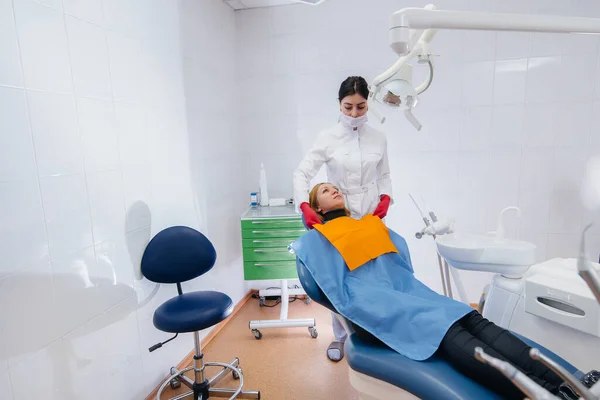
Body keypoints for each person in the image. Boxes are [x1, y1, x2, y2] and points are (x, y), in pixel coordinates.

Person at [301, 182, 599, 400]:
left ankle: (571, 385)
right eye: (326, 190)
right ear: (317, 209)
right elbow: (329, 286)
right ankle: (545, 393)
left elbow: (400, 262)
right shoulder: (316, 239)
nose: (334, 189)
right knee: (454, 335)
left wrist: (375, 228)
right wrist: (317, 235)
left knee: (478, 323)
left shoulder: (366, 224)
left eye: (335, 186)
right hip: (384, 306)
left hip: (411, 294)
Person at [293, 76, 393, 362]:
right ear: (339, 104)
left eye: (361, 107)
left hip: (371, 214)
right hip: (339, 214)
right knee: (342, 279)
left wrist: (385, 197)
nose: (353, 114)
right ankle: (340, 337)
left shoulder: (379, 137)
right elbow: (301, 173)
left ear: (368, 104)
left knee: (373, 274)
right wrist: (304, 204)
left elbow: (385, 175)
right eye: (348, 107)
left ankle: (373, 333)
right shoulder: (327, 137)